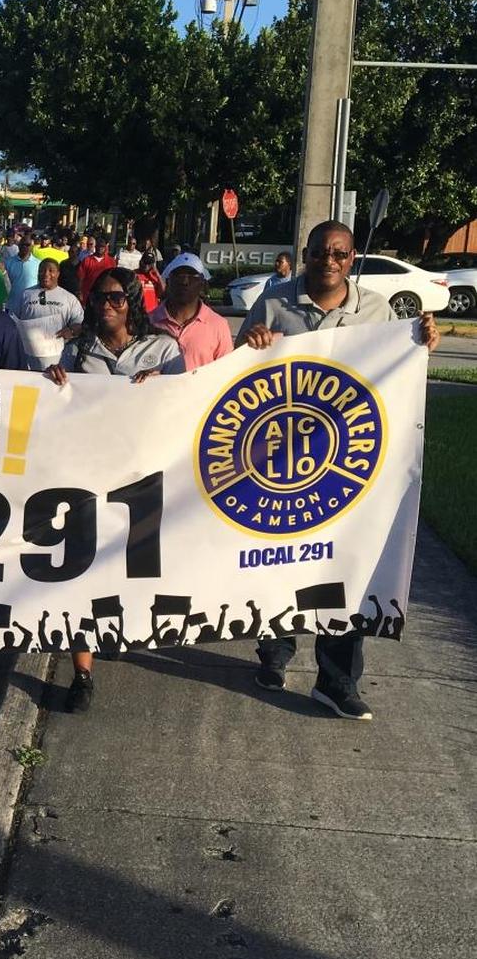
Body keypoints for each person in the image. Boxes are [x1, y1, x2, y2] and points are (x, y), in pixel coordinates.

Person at [236, 220, 439, 720]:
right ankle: (274, 653)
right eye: (321, 252)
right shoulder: (273, 302)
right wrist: (255, 342)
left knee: (344, 567)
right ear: (304, 255)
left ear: (352, 259)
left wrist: (422, 344)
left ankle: (337, 680)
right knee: (275, 557)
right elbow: (236, 368)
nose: (330, 260)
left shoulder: (376, 310)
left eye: (340, 253)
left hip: (347, 465)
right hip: (278, 460)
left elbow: (398, 372)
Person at [44, 268, 183, 712]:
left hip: (145, 480)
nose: (107, 305)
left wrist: (167, 386)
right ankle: (82, 673)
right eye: (100, 298)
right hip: (88, 478)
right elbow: (55, 410)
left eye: (117, 298)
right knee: (82, 572)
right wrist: (51, 382)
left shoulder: (163, 348)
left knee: (130, 569)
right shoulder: (77, 349)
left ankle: (119, 628)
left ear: (134, 301)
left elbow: (190, 402)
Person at [149, 253, 232, 369]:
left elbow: (226, 371)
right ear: (168, 282)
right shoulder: (149, 321)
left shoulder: (218, 325)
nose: (185, 282)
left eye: (193, 276)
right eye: (178, 276)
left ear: (202, 283)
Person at [14, 258, 84, 370]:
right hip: (28, 359)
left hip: (57, 361)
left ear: (58, 274)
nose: (46, 274)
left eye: (51, 270)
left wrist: (71, 330)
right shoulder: (25, 295)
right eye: (42, 270)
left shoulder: (69, 298)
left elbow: (80, 323)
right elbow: (14, 319)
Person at [77, 237, 117, 305]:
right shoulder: (87, 260)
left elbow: (114, 279)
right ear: (95, 247)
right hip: (88, 295)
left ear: (106, 247)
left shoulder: (111, 261)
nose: (100, 248)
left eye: (102, 247)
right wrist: (80, 292)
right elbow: (80, 278)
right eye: (99, 246)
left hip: (105, 296)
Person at [4, 235, 41, 308]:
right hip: (13, 305)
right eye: (22, 244)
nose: (25, 247)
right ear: (18, 245)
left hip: (31, 305)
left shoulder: (39, 263)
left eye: (28, 245)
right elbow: (5, 283)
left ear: (32, 247)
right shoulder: (8, 262)